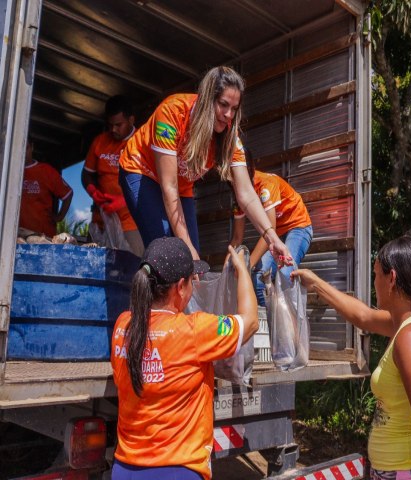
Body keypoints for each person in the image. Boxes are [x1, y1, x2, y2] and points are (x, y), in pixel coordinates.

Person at [292, 236, 411, 480]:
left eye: (376, 274)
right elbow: (363, 316)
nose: (374, 281)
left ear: (392, 278)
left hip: (403, 470)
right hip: (403, 468)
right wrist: (316, 284)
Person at [110, 237, 258, 479]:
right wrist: (242, 270)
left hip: (125, 469)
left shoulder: (123, 325)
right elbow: (250, 321)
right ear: (180, 287)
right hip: (179, 470)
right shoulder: (195, 330)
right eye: (192, 282)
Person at [118, 66, 291, 263]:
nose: (228, 115)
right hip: (141, 171)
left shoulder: (229, 137)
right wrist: (187, 246)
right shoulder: (171, 112)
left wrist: (272, 238)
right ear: (207, 98)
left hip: (181, 186)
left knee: (193, 262)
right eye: (223, 104)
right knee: (169, 254)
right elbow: (169, 187)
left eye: (234, 109)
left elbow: (246, 193)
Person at [230, 159, 312, 306]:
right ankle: (269, 323)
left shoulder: (266, 184)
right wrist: (227, 267)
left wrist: (247, 267)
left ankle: (292, 325)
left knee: (287, 274)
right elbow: (237, 238)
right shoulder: (239, 196)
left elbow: (270, 230)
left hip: (298, 226)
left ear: (251, 169)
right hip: (277, 234)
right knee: (258, 278)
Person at [82, 95, 144, 256]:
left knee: (131, 270)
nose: (114, 130)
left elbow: (154, 184)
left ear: (131, 120)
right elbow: (86, 175)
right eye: (110, 125)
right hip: (101, 221)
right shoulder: (100, 141)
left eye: (118, 125)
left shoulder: (142, 143)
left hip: (131, 223)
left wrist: (124, 201)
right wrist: (93, 192)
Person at [19, 139, 73, 237]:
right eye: (19, 148)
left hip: (43, 237)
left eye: (26, 148)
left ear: (32, 147)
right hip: (16, 236)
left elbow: (68, 194)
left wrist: (59, 217)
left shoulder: (46, 171)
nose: (23, 151)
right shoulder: (9, 171)